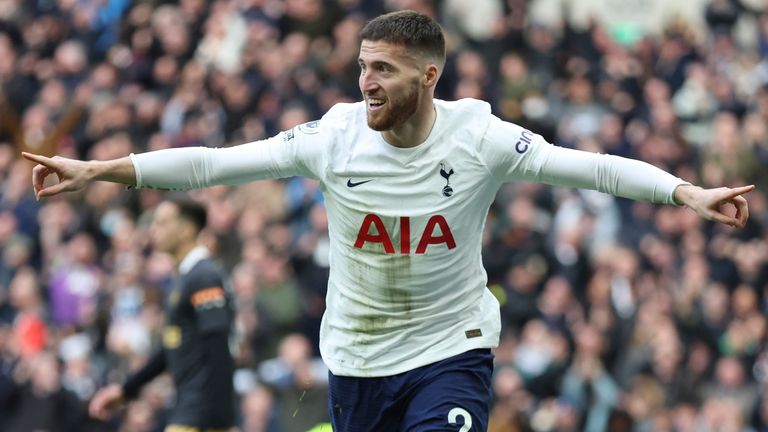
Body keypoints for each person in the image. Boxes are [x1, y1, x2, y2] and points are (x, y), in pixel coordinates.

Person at [24, 10, 753, 432]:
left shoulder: (481, 137)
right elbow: (215, 163)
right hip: (357, 357)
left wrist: (684, 192)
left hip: (451, 348)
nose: (367, 81)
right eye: (364, 66)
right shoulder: (332, 137)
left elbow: (591, 166)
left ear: (428, 77)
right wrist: (99, 171)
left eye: (385, 70)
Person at [87, 197, 236, 432]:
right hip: (192, 410)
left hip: (201, 416)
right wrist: (127, 389)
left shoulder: (203, 277)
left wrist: (219, 418)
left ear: (187, 230)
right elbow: (171, 349)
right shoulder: (184, 279)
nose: (153, 230)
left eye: (162, 223)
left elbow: (218, 345)